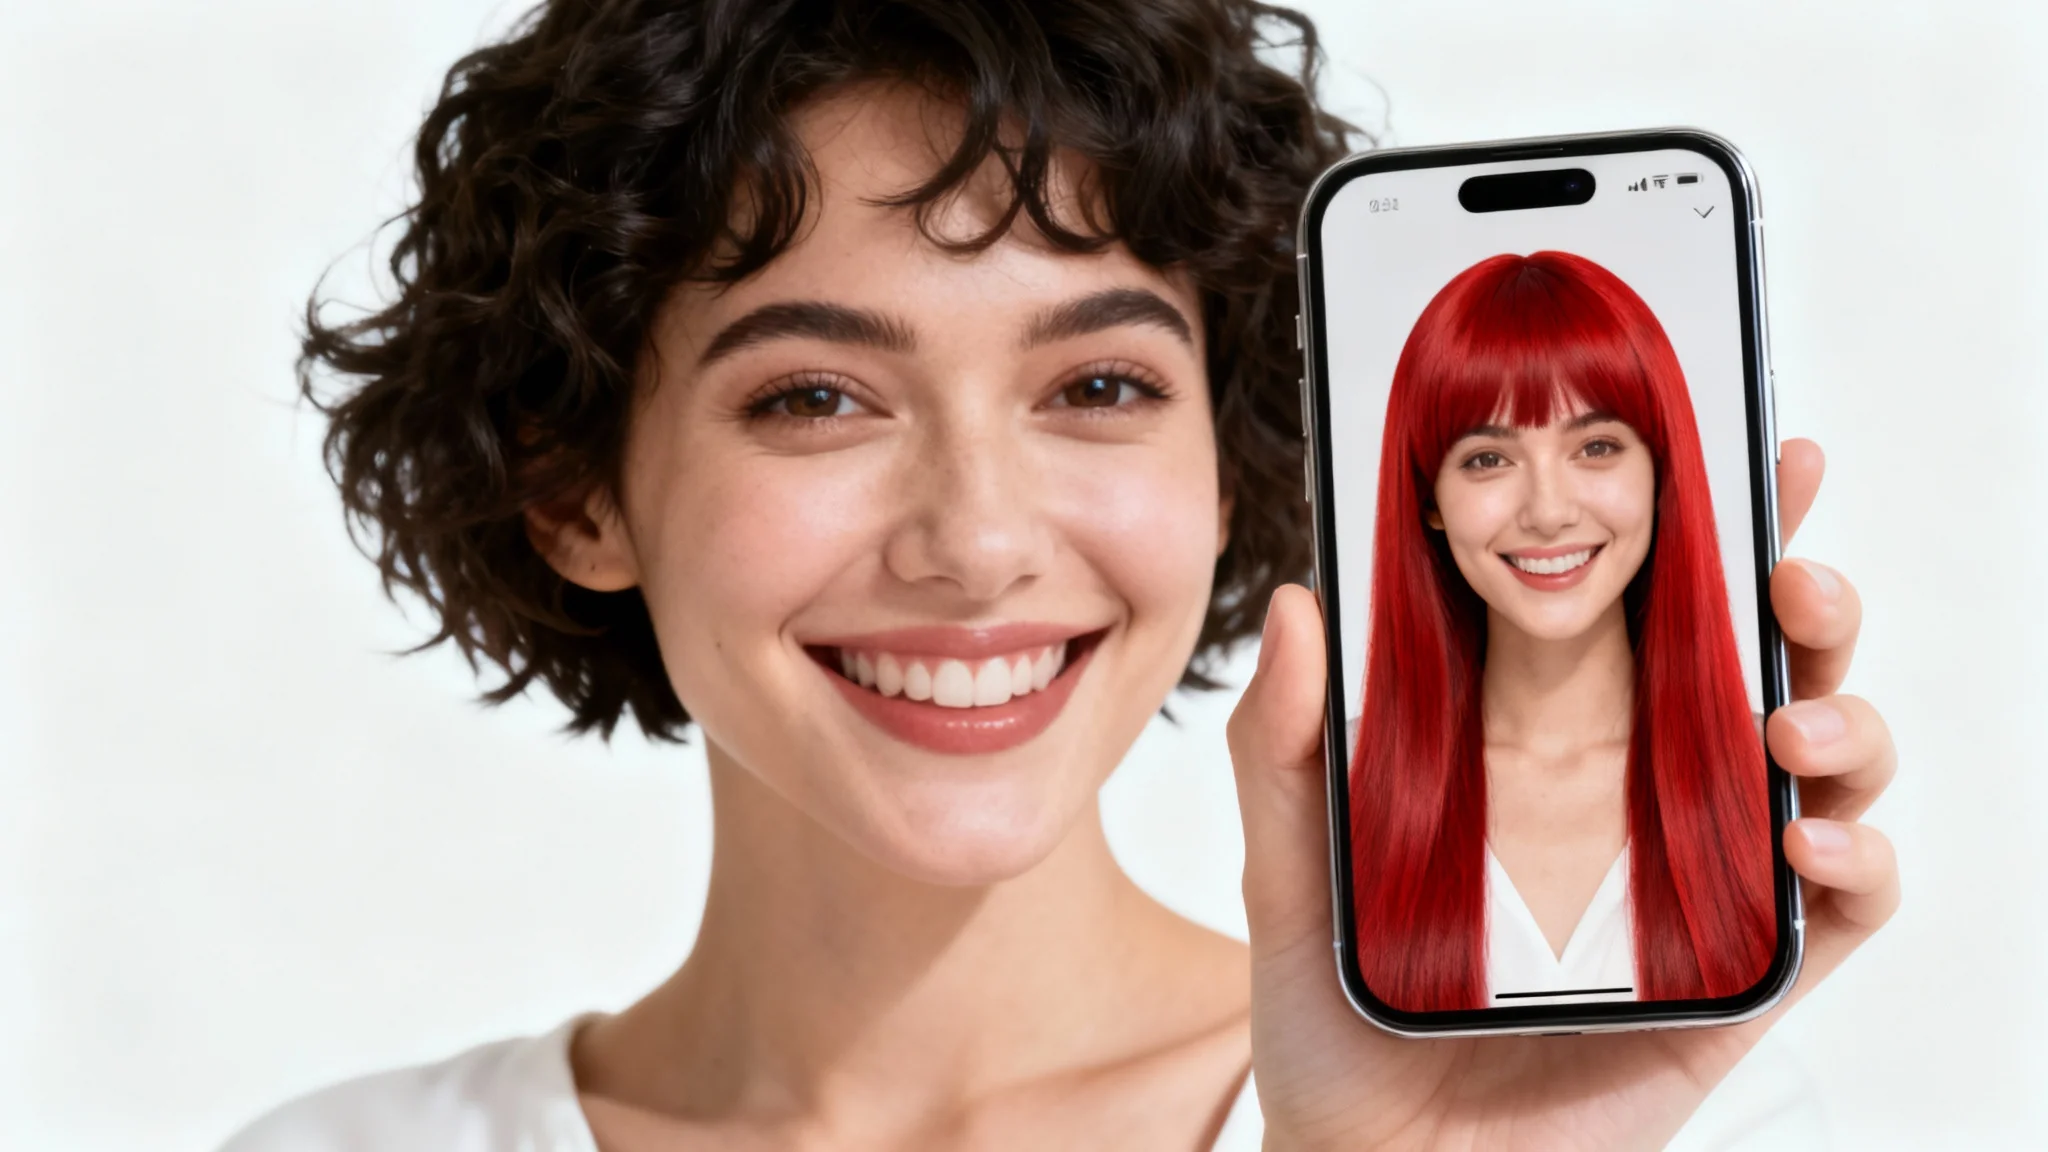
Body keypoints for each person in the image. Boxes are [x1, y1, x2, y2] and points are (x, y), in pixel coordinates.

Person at [224, 1, 1900, 1148]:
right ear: (578, 487)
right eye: (814, 396)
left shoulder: (1617, 1111)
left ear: (1234, 463)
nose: (976, 538)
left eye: (1097, 387)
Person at [1348, 251, 1774, 1012]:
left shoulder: (1774, 776)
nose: (1547, 510)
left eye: (1597, 447)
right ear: (1430, 500)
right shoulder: (1341, 786)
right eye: (1486, 459)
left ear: (1659, 470)